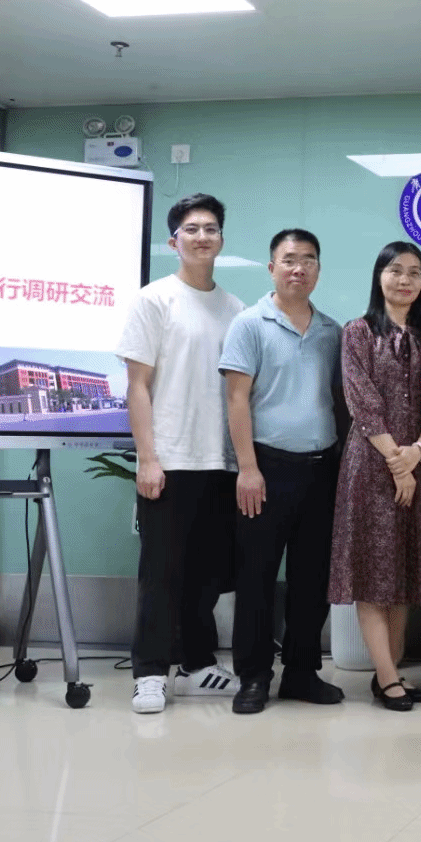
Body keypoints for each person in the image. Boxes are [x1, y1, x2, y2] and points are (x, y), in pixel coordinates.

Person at [116, 193, 246, 714]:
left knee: (208, 575)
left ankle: (196, 666)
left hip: (220, 461)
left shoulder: (236, 309)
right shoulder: (155, 300)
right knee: (161, 574)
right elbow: (137, 386)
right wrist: (147, 458)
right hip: (170, 460)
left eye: (210, 228)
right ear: (174, 241)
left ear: (221, 239)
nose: (202, 236)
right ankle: (150, 673)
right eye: (191, 229)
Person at [220, 229, 345, 715]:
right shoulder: (249, 324)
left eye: (308, 260)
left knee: (312, 579)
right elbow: (236, 399)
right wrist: (247, 468)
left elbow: (338, 401)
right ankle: (253, 676)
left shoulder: (332, 332)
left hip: (321, 469)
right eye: (289, 259)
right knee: (256, 577)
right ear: (272, 267)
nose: (299, 268)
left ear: (318, 270)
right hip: (265, 469)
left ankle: (301, 672)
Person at [327, 241, 421, 711]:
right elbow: (362, 401)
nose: (405, 280)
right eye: (395, 270)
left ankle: (390, 672)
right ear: (379, 276)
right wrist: (396, 461)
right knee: (373, 572)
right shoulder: (358, 332)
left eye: (415, 272)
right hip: (370, 466)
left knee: (405, 569)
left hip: (417, 461)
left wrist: (417, 452)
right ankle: (388, 677)